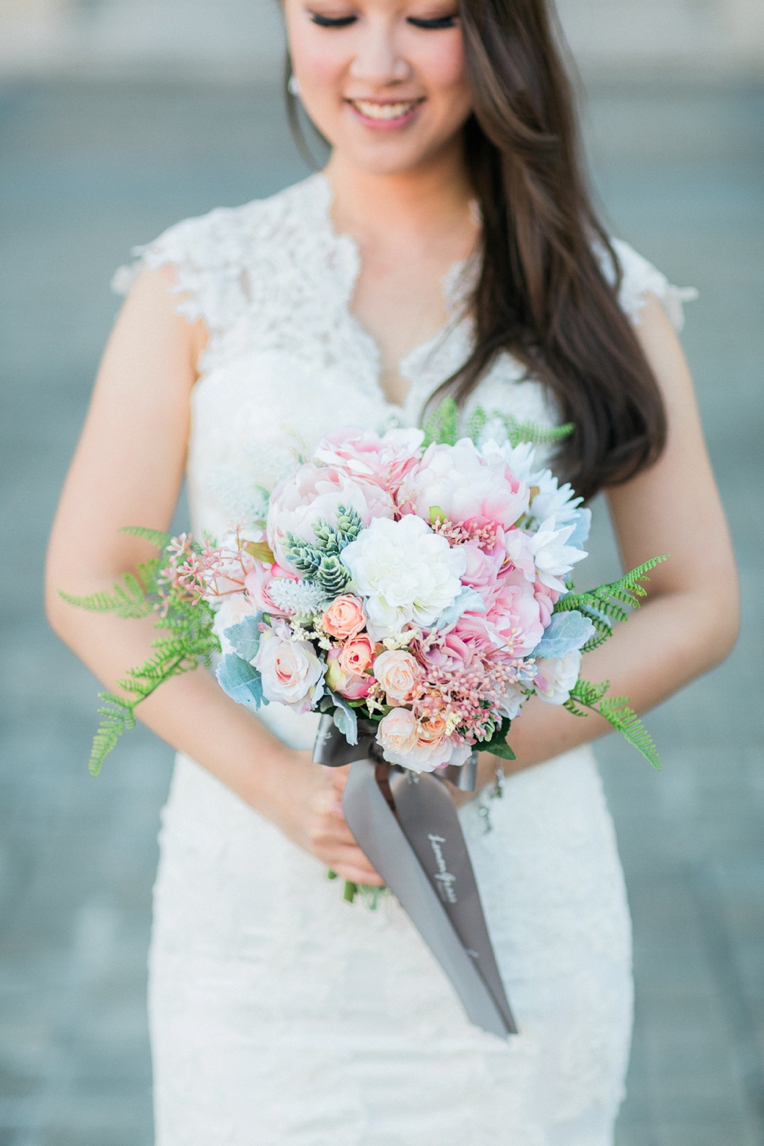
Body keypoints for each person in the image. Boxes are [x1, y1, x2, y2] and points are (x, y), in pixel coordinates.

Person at [45, 0, 738, 1138]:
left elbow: (698, 600)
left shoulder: (597, 291)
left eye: (426, 17)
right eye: (331, 14)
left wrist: (481, 741)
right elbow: (94, 574)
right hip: (256, 925)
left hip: (523, 904)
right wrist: (282, 789)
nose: (375, 62)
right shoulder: (200, 277)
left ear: (501, 34)